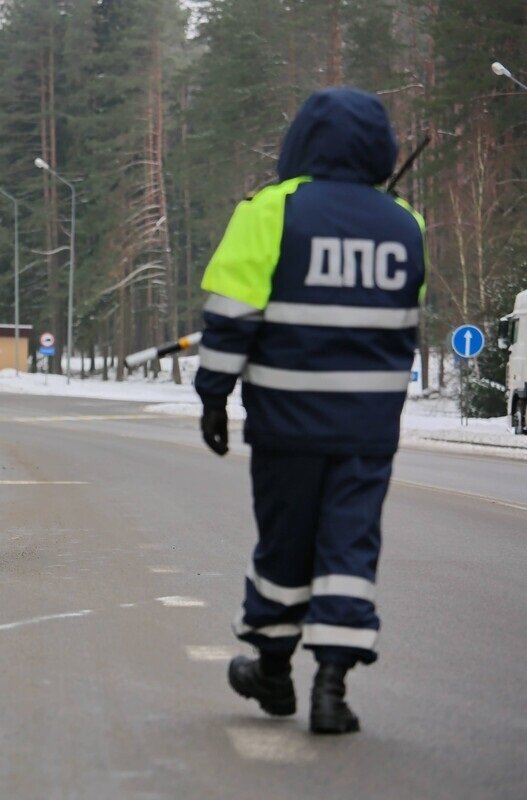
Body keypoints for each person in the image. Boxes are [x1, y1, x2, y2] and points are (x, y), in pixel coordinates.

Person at [193, 87, 426, 735]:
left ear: (301, 142)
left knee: (285, 544)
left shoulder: (271, 210)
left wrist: (213, 397)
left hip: (287, 426)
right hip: (369, 432)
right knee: (349, 546)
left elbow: (231, 318)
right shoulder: (406, 224)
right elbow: (403, 323)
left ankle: (272, 670)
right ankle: (332, 687)